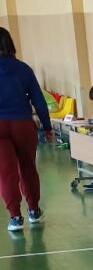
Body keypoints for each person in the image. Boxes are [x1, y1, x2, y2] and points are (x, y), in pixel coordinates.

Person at [0, 28, 53, 235]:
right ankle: (34, 210)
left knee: (6, 173)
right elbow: (39, 100)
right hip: (22, 123)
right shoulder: (23, 69)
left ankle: (15, 217)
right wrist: (47, 127)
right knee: (27, 168)